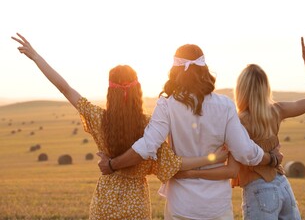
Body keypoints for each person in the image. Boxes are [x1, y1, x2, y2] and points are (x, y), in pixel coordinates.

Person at [11, 33, 229, 220]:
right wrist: (213, 158)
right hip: (137, 206)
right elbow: (177, 163)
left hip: (105, 201)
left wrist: (36, 57)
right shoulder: (149, 126)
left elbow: (65, 88)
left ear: (110, 91)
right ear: (138, 90)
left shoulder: (100, 119)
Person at [97, 43, 283, 220]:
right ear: (204, 69)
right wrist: (271, 158)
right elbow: (244, 151)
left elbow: (147, 146)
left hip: (181, 206)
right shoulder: (225, 105)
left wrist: (113, 164)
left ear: (175, 70)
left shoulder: (167, 104)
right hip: (216, 208)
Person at [174, 35, 305, 220]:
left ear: (240, 89)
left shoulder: (238, 121)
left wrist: (192, 172)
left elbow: (231, 170)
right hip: (283, 186)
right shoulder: (278, 110)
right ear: (265, 87)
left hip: (259, 192)